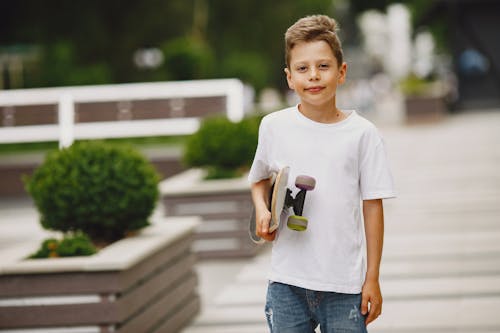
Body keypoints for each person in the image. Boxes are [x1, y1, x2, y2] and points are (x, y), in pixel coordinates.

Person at [248, 15, 396, 332]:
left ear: (341, 72)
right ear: (289, 78)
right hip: (287, 282)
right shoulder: (274, 127)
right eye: (302, 69)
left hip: (345, 286)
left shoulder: (363, 134)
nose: (313, 76)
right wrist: (262, 210)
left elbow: (373, 207)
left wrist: (372, 278)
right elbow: (258, 179)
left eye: (323, 66)